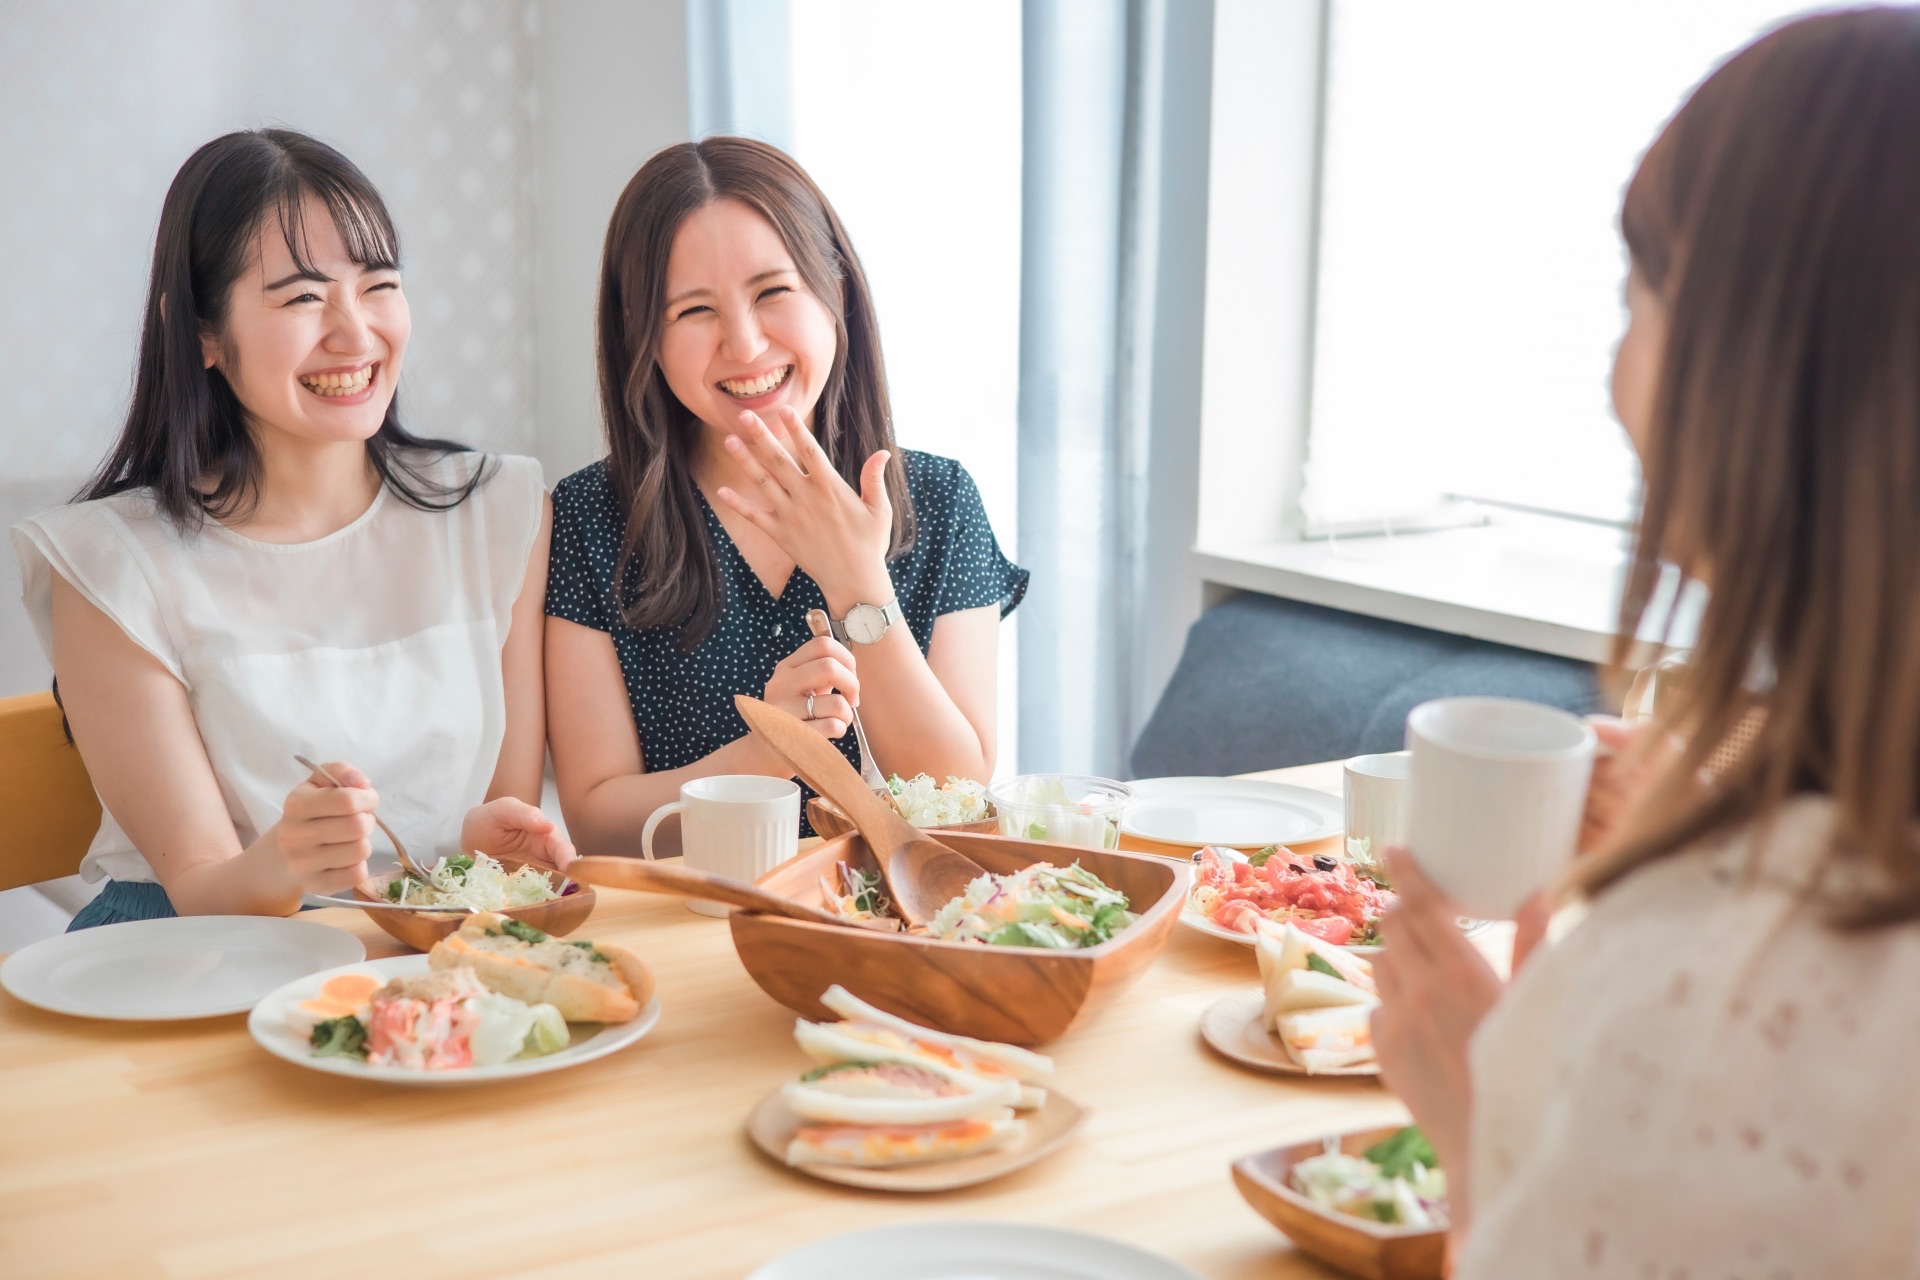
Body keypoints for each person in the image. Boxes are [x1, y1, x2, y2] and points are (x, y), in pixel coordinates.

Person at [1370, 10, 1920, 1274]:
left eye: (1639, 294)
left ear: (1758, 367)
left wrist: (1478, 1112)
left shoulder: (1707, 991)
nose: (1618, 361)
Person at [11, 129, 571, 930]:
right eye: (302, 297)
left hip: (422, 944)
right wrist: (282, 861)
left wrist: (486, 847)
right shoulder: (109, 564)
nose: (354, 333)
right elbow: (200, 885)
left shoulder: (496, 511)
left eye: (378, 284)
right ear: (202, 333)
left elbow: (495, 825)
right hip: (194, 954)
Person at [544, 137, 1025, 854]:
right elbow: (598, 822)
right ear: (642, 334)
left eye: (773, 292)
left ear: (835, 287)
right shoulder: (588, 520)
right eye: (693, 311)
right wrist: (764, 752)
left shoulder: (940, 500)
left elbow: (958, 796)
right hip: (691, 928)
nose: (743, 345)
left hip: (891, 930)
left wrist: (857, 583)